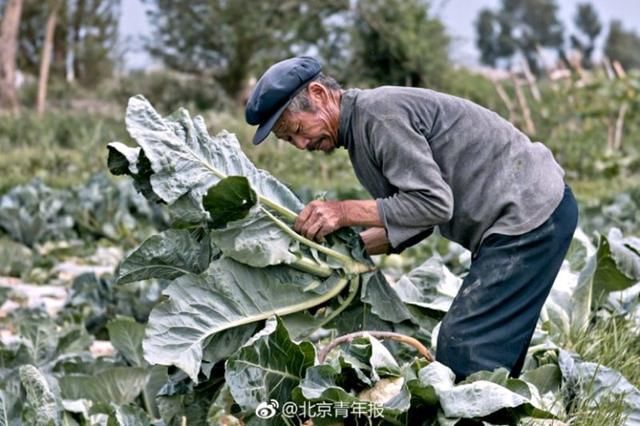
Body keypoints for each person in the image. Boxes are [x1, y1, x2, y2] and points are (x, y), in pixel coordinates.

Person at [244, 56, 578, 380]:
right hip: (523, 218)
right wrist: (345, 256)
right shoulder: (360, 136)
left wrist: (342, 212)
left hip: (530, 215)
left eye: (299, 129)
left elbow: (433, 204)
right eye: (289, 140)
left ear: (319, 94)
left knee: (464, 346)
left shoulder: (379, 116)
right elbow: (414, 219)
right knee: (488, 351)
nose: (301, 144)